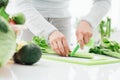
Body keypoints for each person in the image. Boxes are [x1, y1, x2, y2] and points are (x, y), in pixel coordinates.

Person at [13, 0, 111, 56]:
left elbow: (103, 1)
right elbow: (20, 3)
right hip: (30, 20)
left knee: (61, 71)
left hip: (62, 22)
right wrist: (49, 32)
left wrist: (88, 22)